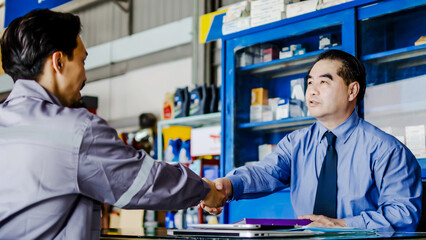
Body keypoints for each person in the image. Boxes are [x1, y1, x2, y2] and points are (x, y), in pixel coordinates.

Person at [0, 9, 225, 239]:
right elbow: (144, 181)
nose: (85, 76)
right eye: (82, 61)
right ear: (58, 61)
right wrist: (204, 190)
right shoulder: (76, 131)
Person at [201, 49, 423, 231]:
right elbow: (266, 172)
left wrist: (343, 224)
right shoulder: (296, 143)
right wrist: (228, 186)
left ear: (352, 90)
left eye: (324, 82)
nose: (312, 91)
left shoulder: (387, 150)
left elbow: (403, 213)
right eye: (309, 83)